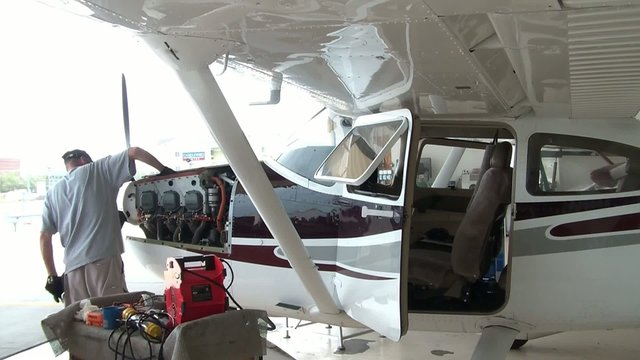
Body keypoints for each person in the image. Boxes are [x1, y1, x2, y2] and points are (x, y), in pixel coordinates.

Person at [40, 147, 175, 305]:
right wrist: (164, 170)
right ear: (84, 159)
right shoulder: (97, 169)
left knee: (81, 320)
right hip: (102, 263)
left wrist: (52, 277)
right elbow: (134, 152)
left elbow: (44, 237)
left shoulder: (52, 193)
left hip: (72, 271)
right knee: (112, 319)